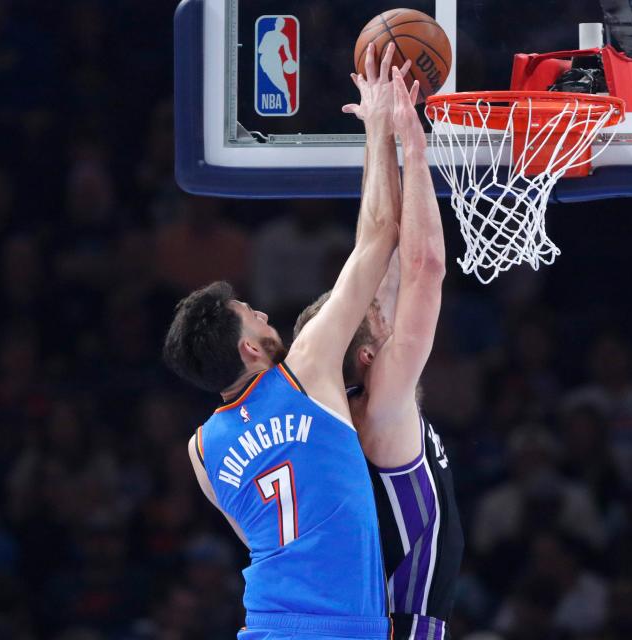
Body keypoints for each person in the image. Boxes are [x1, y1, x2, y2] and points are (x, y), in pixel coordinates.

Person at [162, 43, 406, 640]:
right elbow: (377, 236)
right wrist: (379, 123)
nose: (264, 311)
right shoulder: (307, 368)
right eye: (251, 314)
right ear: (248, 350)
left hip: (272, 622)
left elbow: (270, 534)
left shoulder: (201, 451)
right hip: (338, 626)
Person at [294, 66, 463, 640]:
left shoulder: (350, 395)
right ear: (369, 355)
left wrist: (378, 132)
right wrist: (415, 150)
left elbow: (381, 248)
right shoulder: (380, 409)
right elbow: (424, 267)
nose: (377, 302)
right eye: (374, 313)